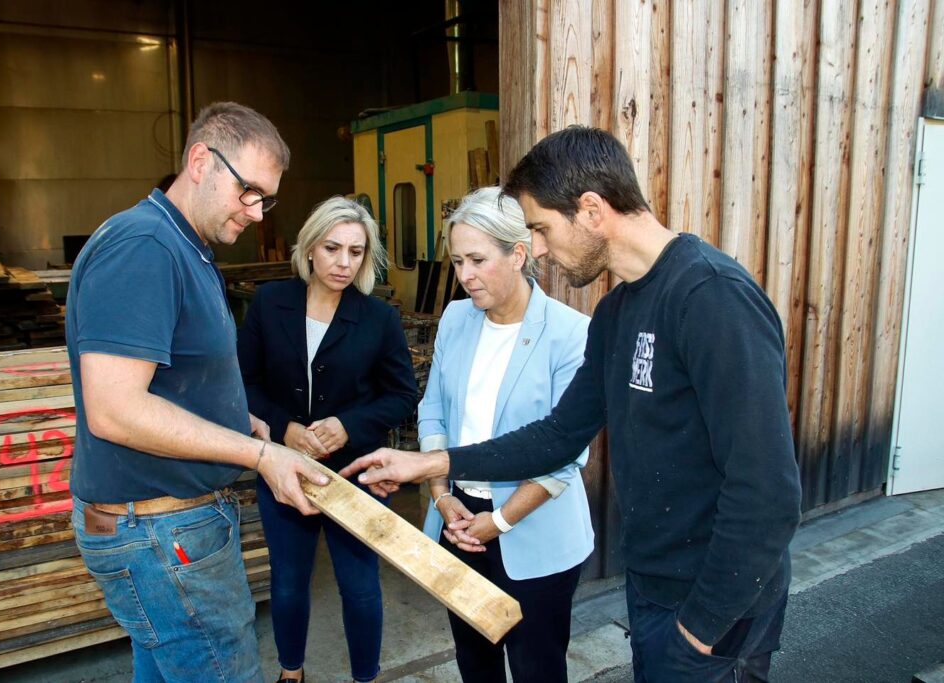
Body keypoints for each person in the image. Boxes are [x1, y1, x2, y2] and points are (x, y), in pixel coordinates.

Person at [344, 126, 803, 682]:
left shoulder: (712, 297)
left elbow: (768, 491)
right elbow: (559, 435)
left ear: (590, 210)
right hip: (655, 584)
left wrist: (701, 628)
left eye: (539, 228)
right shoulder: (617, 312)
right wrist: (432, 463)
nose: (536, 249)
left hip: (714, 606)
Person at [66, 101, 328, 683]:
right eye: (249, 192)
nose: (258, 213)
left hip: (166, 528)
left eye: (267, 198)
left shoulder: (186, 247)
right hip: (161, 534)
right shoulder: (146, 247)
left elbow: (178, 378)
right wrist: (261, 454)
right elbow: (115, 409)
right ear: (201, 161)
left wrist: (241, 423)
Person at [237, 196, 418, 683]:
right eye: (333, 248)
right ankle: (290, 673)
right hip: (283, 466)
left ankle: (366, 677)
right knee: (290, 582)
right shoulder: (270, 304)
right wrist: (283, 427)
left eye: (356, 252)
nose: (343, 262)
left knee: (359, 585)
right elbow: (243, 381)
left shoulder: (377, 318)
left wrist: (348, 425)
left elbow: (402, 393)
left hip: (352, 472)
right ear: (310, 249)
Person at [418, 187, 594, 682]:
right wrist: (441, 495)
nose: (464, 276)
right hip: (458, 519)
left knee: (537, 667)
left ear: (518, 255)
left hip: (532, 525)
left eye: (477, 259)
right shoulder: (455, 319)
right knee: (475, 663)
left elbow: (566, 452)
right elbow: (432, 410)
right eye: (457, 261)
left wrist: (500, 520)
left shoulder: (570, 333)